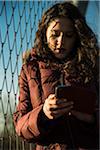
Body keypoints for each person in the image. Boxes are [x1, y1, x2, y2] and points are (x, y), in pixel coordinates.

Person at [13, 1, 99, 150]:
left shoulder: (93, 65)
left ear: (77, 36)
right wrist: (43, 114)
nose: (61, 42)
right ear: (44, 34)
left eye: (69, 35)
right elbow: (20, 126)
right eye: (55, 34)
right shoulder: (30, 69)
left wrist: (91, 118)